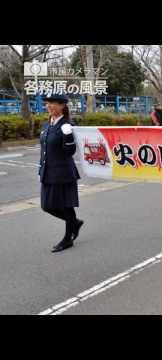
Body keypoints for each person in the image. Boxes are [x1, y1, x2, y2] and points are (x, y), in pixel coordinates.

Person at [39, 94, 83, 253]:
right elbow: (44, 150)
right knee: (46, 206)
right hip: (48, 172)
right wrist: (41, 169)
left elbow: (70, 151)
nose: (49, 106)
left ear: (62, 105)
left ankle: (67, 239)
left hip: (63, 172)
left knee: (66, 206)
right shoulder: (47, 124)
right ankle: (75, 223)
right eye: (47, 103)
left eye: (53, 103)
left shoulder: (67, 124)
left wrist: (68, 135)